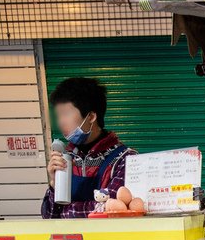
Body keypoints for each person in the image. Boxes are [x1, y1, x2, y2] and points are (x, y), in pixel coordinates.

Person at [41, 77, 135, 218]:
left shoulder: (124, 159)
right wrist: (54, 184)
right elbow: (49, 217)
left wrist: (66, 211)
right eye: (59, 116)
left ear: (91, 116)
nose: (61, 122)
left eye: (66, 113)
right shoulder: (66, 158)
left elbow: (111, 209)